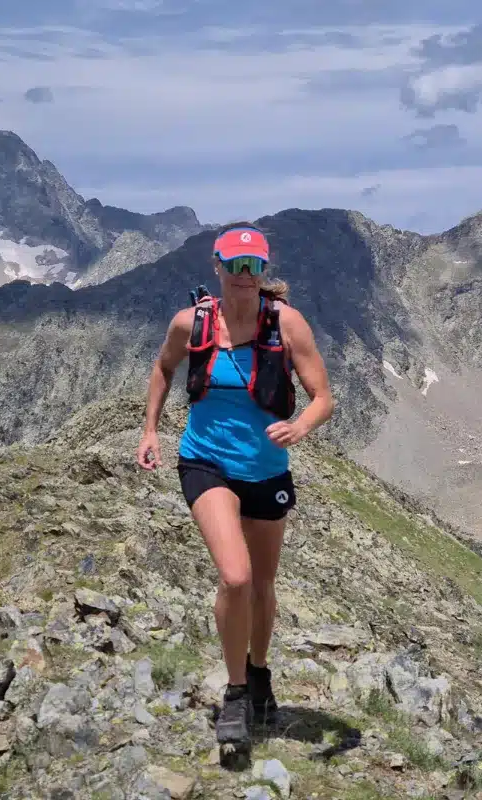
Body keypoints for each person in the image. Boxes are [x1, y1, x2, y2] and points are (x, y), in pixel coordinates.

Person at [136, 222, 334, 756]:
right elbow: (163, 367)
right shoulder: (191, 323)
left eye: (254, 266)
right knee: (236, 575)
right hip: (205, 463)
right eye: (235, 265)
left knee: (264, 584)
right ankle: (236, 692)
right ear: (217, 267)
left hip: (267, 470)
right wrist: (152, 428)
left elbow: (322, 396)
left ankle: (261, 671)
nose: (245, 276)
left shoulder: (287, 324)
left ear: (263, 270)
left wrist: (302, 427)